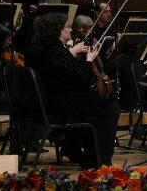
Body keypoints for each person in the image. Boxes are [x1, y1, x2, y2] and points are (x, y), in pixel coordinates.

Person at [33, 13, 119, 168]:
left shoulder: (54, 50)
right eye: (67, 26)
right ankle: (101, 160)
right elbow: (80, 78)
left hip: (64, 100)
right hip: (64, 105)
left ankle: (92, 156)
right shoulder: (55, 52)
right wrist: (89, 60)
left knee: (107, 105)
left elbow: (72, 73)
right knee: (111, 108)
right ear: (58, 30)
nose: (70, 29)